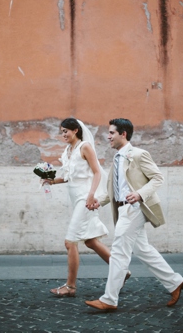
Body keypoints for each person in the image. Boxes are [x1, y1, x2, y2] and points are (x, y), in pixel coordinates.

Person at [85, 118, 183, 311]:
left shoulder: (139, 154)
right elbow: (115, 189)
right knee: (143, 250)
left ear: (123, 134)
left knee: (119, 253)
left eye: (111, 133)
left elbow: (157, 178)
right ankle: (175, 282)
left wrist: (140, 194)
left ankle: (109, 299)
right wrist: (99, 201)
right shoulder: (117, 158)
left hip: (135, 209)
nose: (108, 136)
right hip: (123, 208)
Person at [41, 118, 121, 297]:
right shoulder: (68, 150)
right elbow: (69, 177)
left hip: (85, 199)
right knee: (90, 241)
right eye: (61, 132)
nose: (63, 135)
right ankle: (122, 271)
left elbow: (97, 172)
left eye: (66, 131)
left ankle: (70, 287)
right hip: (76, 198)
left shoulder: (84, 147)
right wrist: (51, 181)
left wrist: (91, 195)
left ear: (76, 130)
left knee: (70, 242)